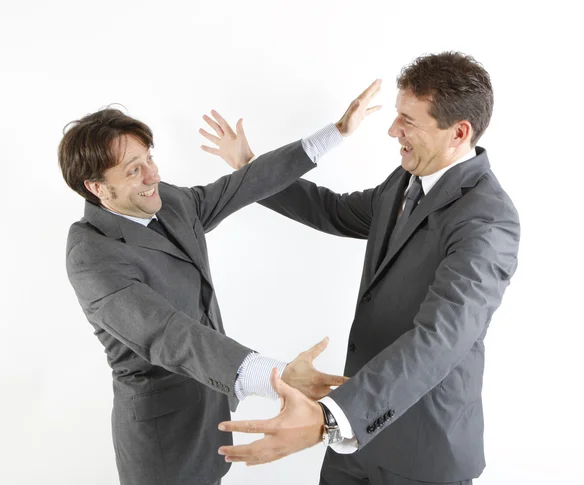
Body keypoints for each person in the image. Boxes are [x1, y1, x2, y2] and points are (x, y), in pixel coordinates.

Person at [204, 52, 520, 485]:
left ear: (458, 132)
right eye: (396, 116)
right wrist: (250, 168)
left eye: (408, 120)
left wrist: (328, 420)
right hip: (355, 439)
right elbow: (332, 210)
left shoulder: (487, 219)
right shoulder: (405, 180)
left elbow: (441, 339)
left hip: (420, 449)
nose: (393, 131)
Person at [60, 81, 381, 485]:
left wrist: (335, 133)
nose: (153, 174)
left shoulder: (171, 202)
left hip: (211, 411)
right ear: (96, 187)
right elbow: (171, 335)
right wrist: (276, 377)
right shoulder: (91, 253)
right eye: (134, 169)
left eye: (149, 158)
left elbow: (243, 185)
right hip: (164, 439)